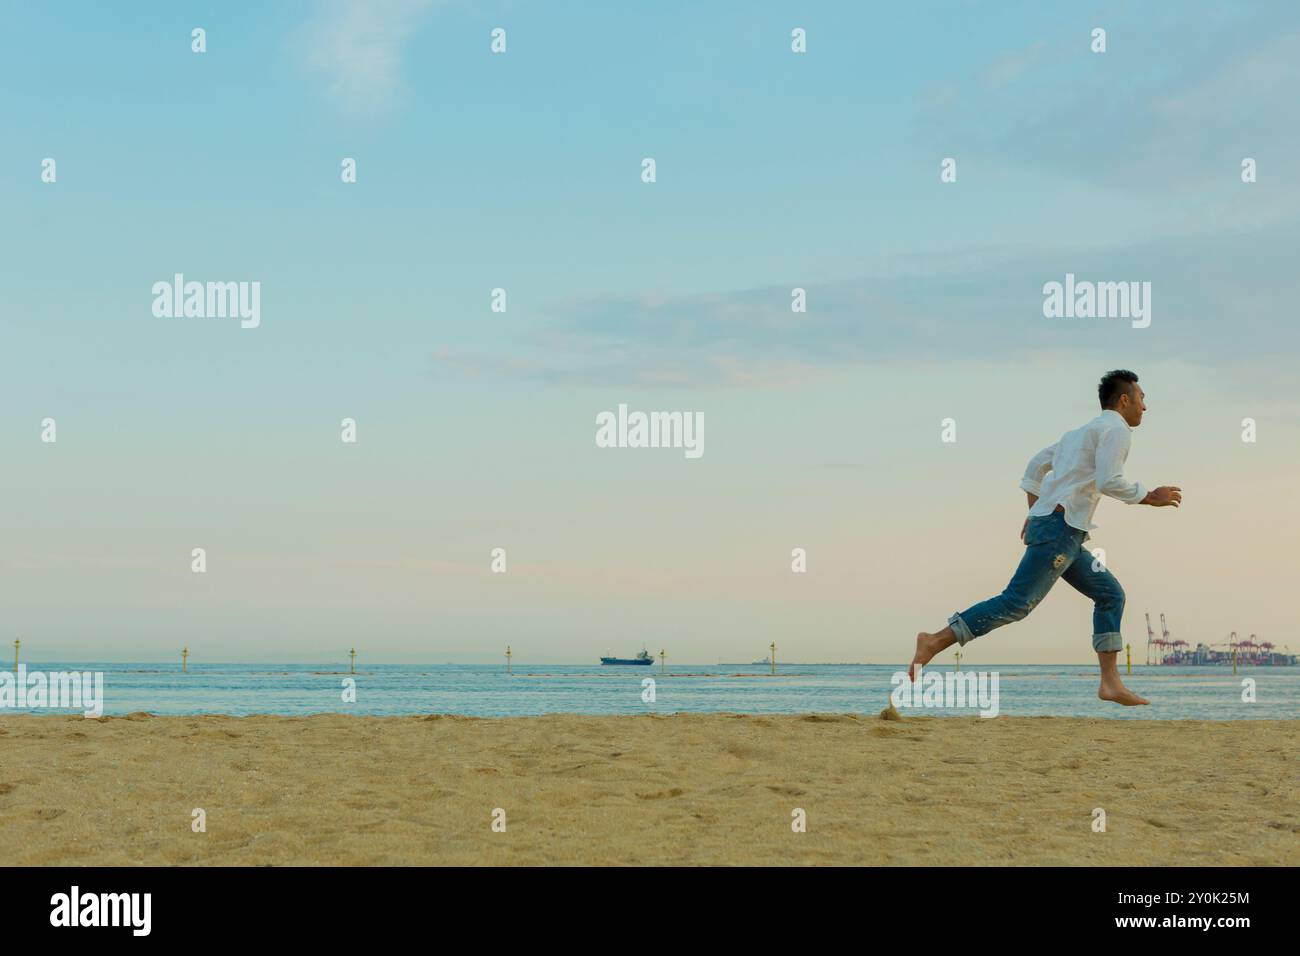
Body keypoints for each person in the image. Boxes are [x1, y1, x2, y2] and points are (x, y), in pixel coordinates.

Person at [908, 370, 1181, 705]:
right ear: (1124, 400)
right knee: (1017, 603)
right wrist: (1149, 496)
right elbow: (1110, 480)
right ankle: (935, 640)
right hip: (1060, 530)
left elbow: (1035, 466)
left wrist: (1038, 510)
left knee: (1111, 595)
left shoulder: (1078, 434)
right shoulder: (1116, 430)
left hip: (1061, 529)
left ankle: (1110, 683)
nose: (1145, 406)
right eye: (1141, 398)